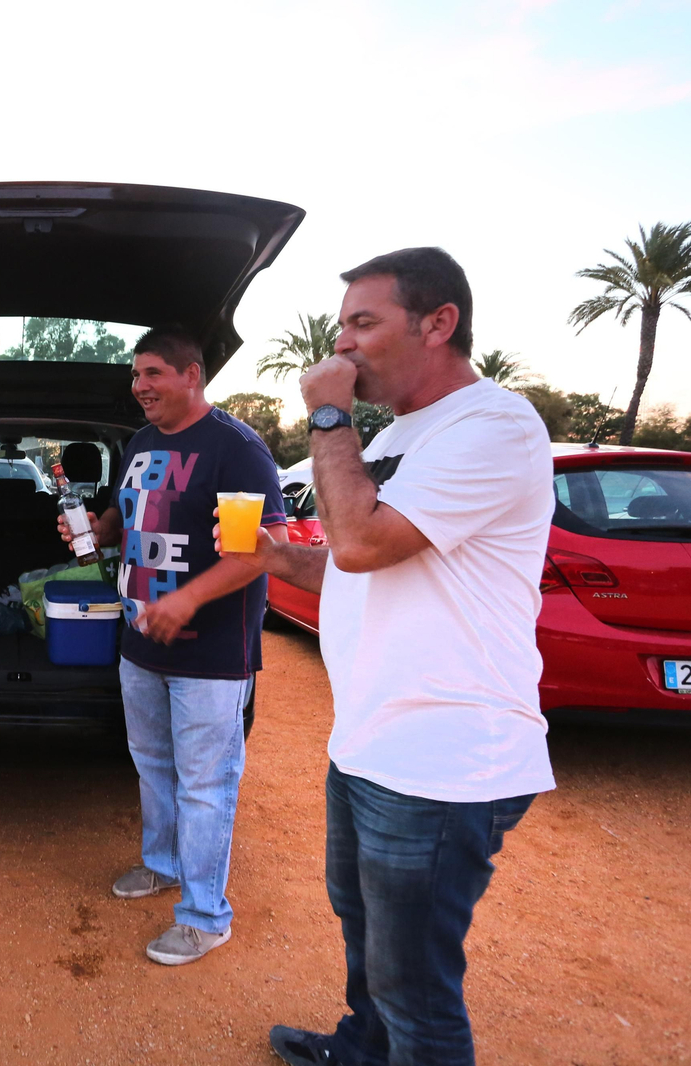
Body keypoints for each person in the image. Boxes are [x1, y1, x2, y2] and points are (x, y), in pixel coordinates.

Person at [239, 249, 556, 1066]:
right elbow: (360, 567)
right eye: (341, 325)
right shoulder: (399, 434)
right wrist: (280, 558)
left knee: (413, 982)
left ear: (438, 322)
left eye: (362, 323)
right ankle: (362, 1048)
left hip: (446, 760)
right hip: (371, 741)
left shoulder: (494, 426)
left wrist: (328, 415)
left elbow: (363, 542)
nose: (342, 344)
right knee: (366, 933)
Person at [61, 325, 287, 966]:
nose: (140, 386)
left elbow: (260, 550)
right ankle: (161, 864)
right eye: (136, 375)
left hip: (209, 656)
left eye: (153, 373)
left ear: (192, 374)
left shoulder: (234, 448)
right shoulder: (141, 443)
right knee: (153, 766)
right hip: (140, 645)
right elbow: (123, 513)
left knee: (205, 785)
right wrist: (97, 529)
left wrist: (188, 599)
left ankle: (206, 917)